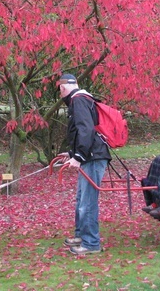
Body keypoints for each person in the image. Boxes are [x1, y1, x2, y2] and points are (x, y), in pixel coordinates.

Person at [56, 73, 111, 255]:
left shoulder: (78, 100)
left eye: (60, 91)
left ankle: (91, 243)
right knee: (82, 199)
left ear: (63, 88)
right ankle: (81, 235)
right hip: (90, 155)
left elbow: (86, 130)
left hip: (93, 157)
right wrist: (72, 153)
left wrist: (78, 156)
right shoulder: (80, 99)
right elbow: (82, 132)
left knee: (87, 202)